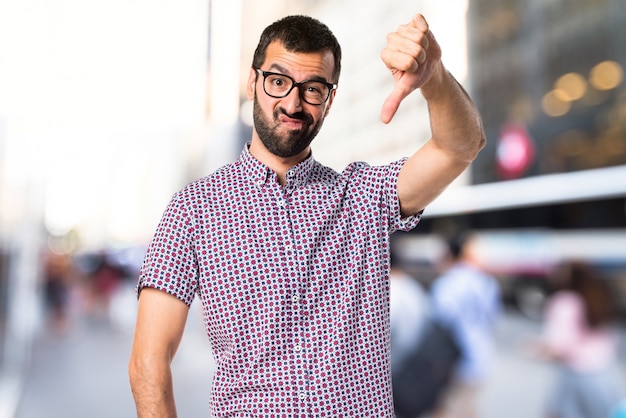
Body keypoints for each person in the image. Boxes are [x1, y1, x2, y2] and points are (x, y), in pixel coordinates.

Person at [128, 13, 486, 417]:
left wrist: (434, 76)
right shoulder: (192, 209)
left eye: (312, 88)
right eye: (278, 81)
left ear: (330, 101)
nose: (293, 103)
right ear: (252, 82)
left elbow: (461, 146)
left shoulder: (364, 196)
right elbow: (149, 365)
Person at [532, 261, 625, 418]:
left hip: (575, 374)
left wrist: (535, 348)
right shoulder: (598, 297)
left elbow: (559, 345)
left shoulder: (564, 301)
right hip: (604, 373)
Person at [429, 233, 501, 418]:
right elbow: (493, 318)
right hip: (481, 356)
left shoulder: (447, 283)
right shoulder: (486, 281)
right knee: (467, 408)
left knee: (446, 410)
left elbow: (440, 323)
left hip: (454, 361)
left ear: (450, 254)